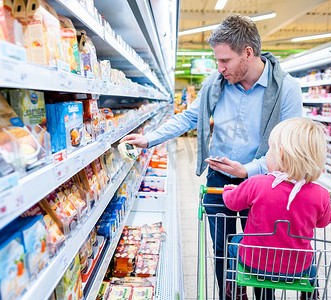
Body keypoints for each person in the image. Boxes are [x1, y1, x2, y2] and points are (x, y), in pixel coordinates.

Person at [121, 14, 303, 298]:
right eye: (217, 61)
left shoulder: (287, 89)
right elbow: (188, 118)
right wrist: (148, 139)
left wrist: (248, 171)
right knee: (222, 253)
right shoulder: (215, 83)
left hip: (267, 183)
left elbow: (292, 146)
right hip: (220, 182)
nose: (219, 68)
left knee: (262, 250)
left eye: (225, 61)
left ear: (248, 53)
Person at [222, 118, 331, 300]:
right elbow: (323, 222)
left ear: (280, 154)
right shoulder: (321, 194)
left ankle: (236, 290)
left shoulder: (257, 183)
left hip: (255, 263)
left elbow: (232, 203)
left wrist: (228, 189)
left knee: (235, 241)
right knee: (310, 258)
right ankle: (311, 293)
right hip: (297, 268)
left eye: (269, 150)